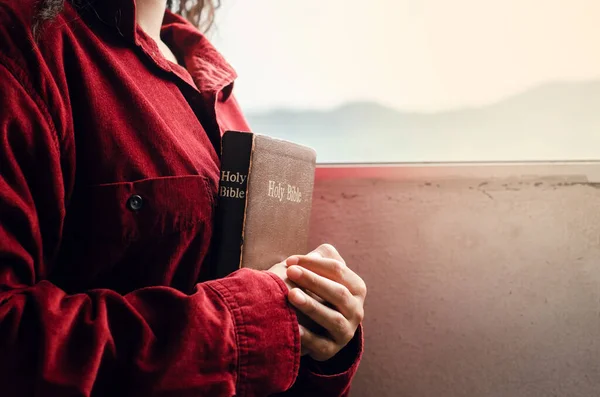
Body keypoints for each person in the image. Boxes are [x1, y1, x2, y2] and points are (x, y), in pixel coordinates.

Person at [0, 0, 367, 395]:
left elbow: (261, 331)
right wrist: (244, 327)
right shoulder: (24, 43)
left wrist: (314, 336)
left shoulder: (209, 78)